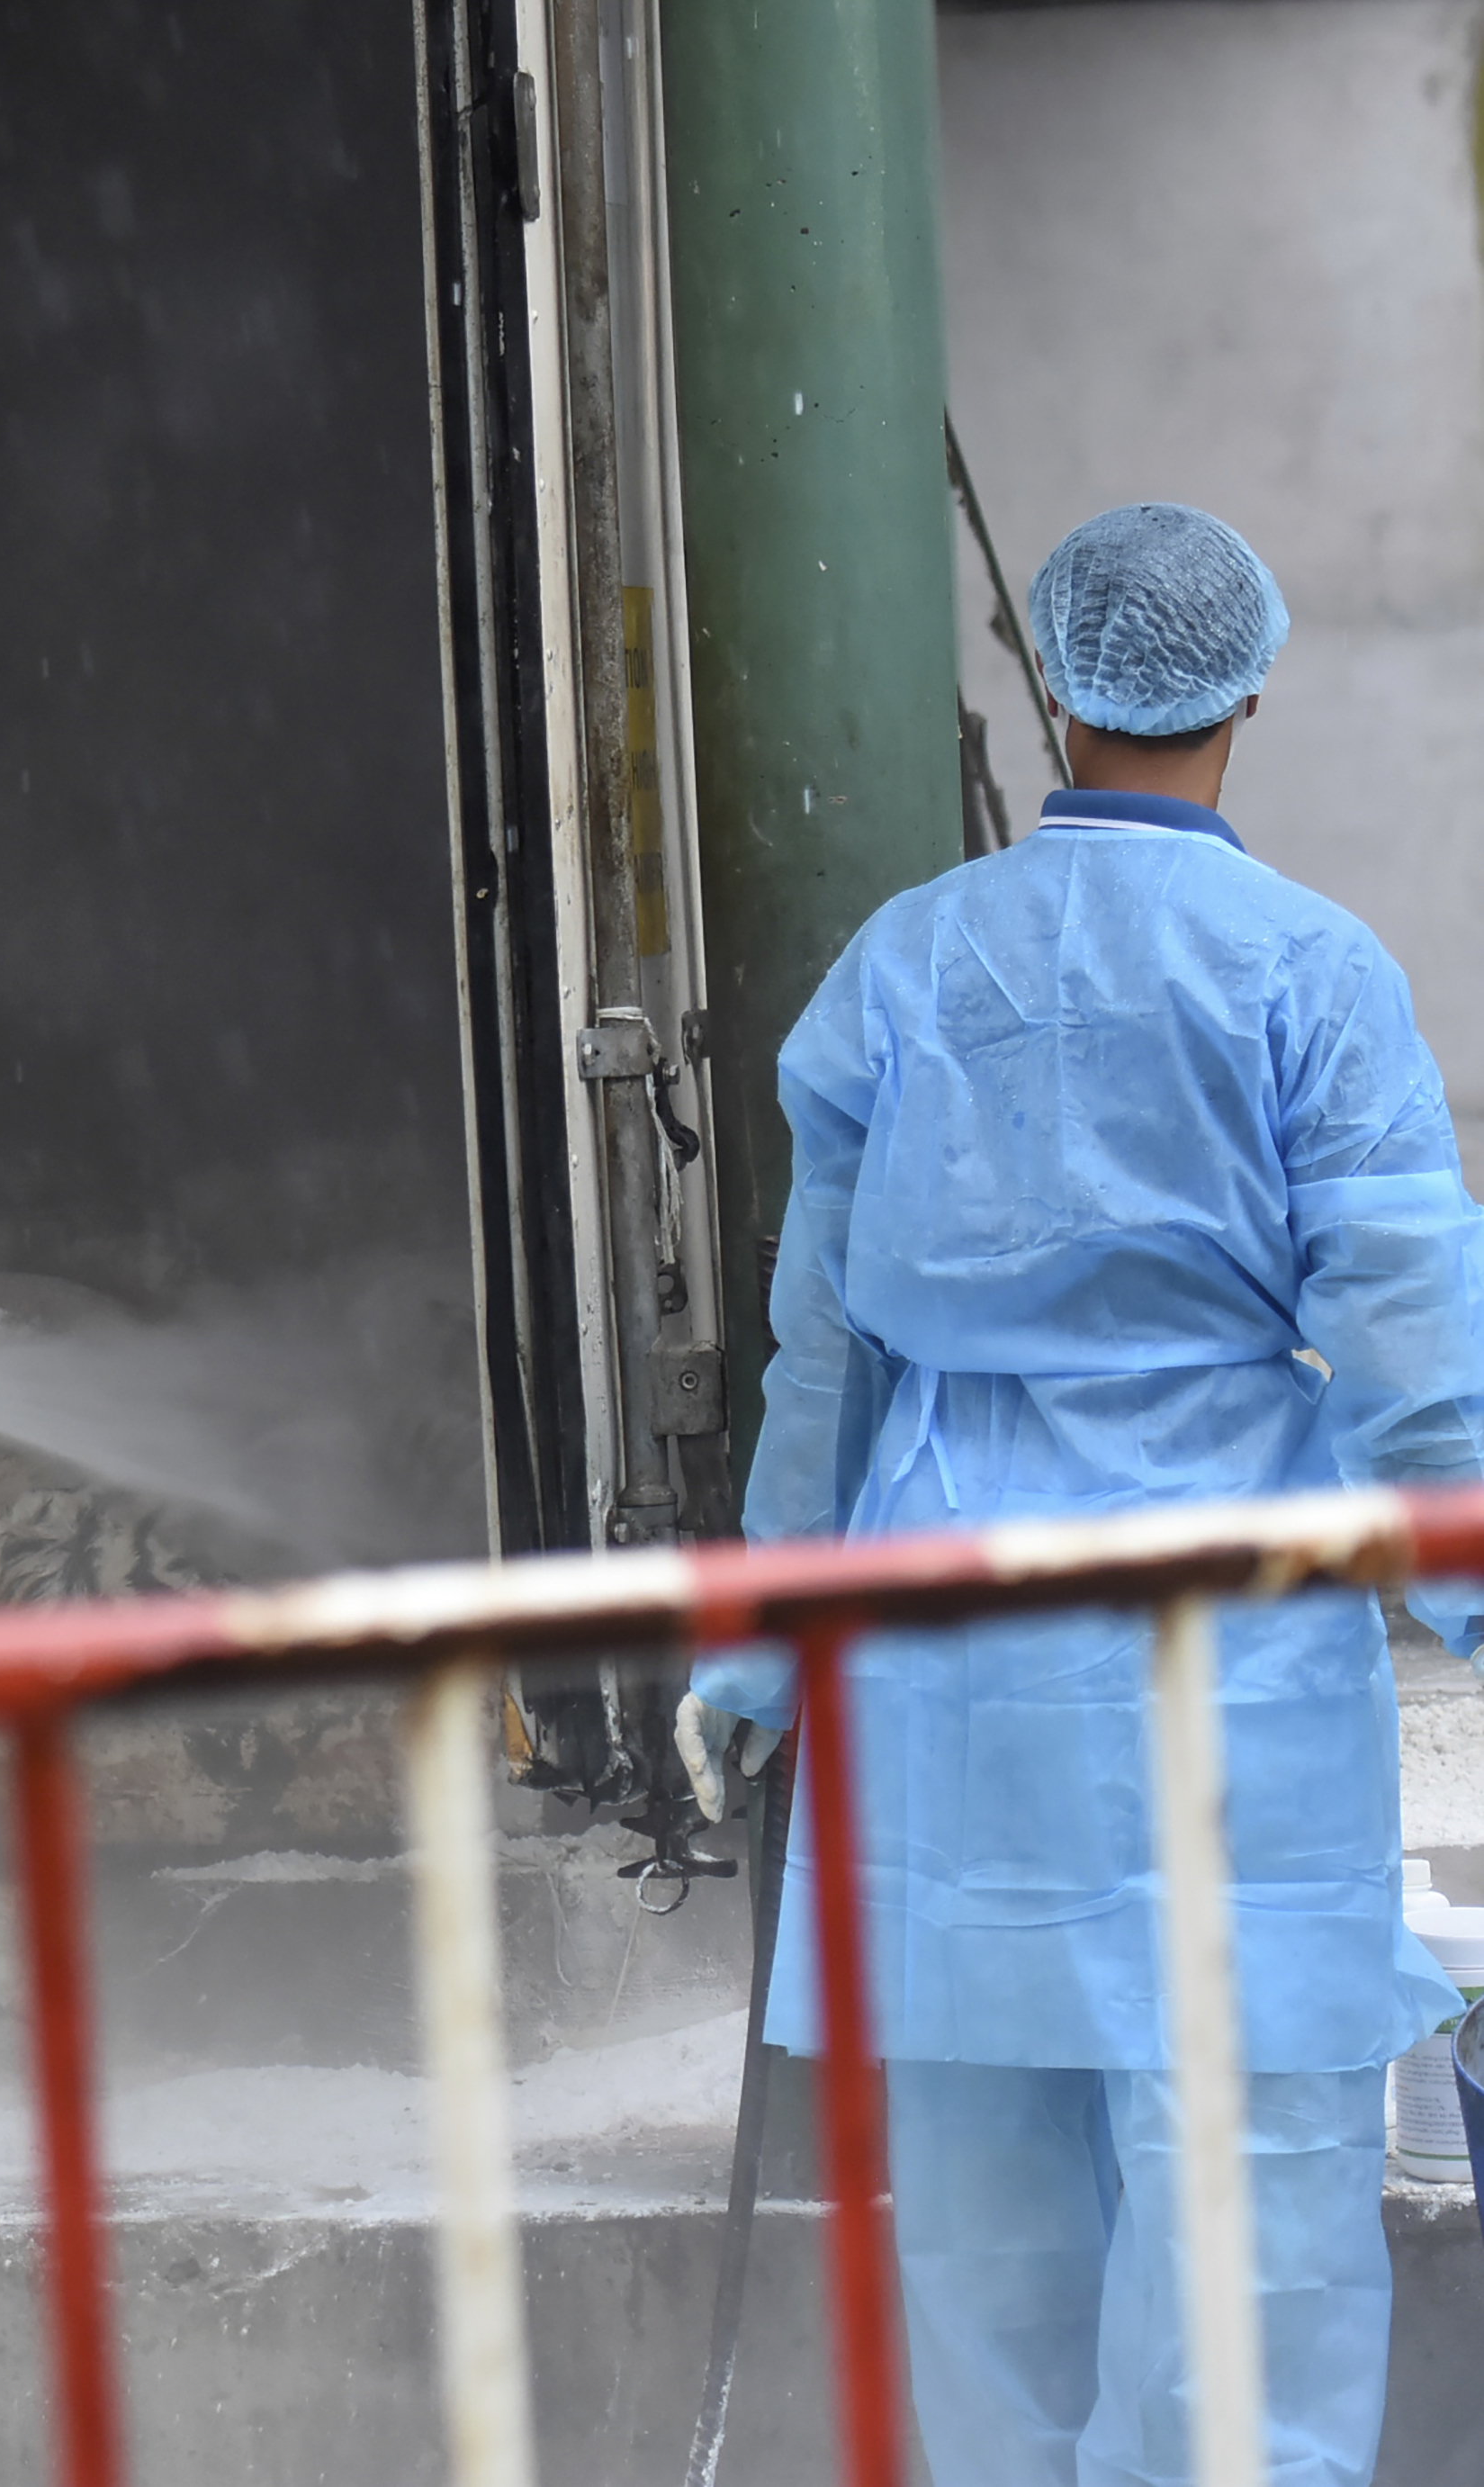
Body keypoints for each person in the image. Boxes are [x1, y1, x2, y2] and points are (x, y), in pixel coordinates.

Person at [681, 503, 1484, 2487]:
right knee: (1246, 2232)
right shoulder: (1310, 970)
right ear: (1250, 692)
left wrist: (760, 1657)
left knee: (985, 2240)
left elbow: (827, 1362)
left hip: (948, 1650)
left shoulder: (905, 967)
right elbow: (1414, 1357)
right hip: (1227, 1641)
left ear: (1052, 688)